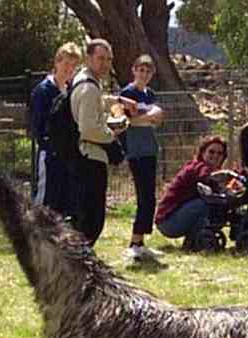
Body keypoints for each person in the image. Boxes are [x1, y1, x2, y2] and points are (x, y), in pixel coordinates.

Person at [69, 38, 128, 247]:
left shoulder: (87, 82)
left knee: (87, 217)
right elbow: (88, 128)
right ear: (89, 59)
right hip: (89, 157)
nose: (105, 64)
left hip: (87, 156)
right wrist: (112, 137)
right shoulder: (88, 87)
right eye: (100, 58)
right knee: (92, 219)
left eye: (108, 59)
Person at [118, 54, 166, 265]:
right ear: (134, 70)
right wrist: (148, 116)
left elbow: (158, 119)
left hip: (150, 149)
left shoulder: (149, 93)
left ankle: (140, 241)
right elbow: (130, 121)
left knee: (150, 197)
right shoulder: (127, 93)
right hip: (136, 150)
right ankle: (134, 244)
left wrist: (143, 116)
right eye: (141, 70)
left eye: (148, 71)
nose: (144, 74)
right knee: (143, 195)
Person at [154, 135, 235, 249]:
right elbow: (206, 176)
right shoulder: (197, 167)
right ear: (202, 153)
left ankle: (194, 241)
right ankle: (194, 243)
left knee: (214, 203)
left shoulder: (212, 170)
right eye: (211, 152)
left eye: (219, 153)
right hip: (168, 222)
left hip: (176, 217)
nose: (215, 156)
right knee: (203, 204)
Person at [30, 42, 82, 216]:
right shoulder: (43, 90)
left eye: (73, 65)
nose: (69, 69)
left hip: (68, 155)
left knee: (63, 203)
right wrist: (50, 146)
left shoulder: (70, 90)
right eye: (66, 63)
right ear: (57, 62)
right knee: (45, 202)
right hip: (50, 155)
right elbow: (37, 127)